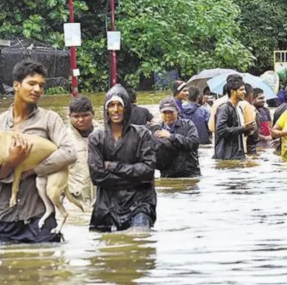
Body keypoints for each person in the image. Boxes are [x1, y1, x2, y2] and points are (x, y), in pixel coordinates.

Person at [0, 60, 78, 244]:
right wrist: (13, 161)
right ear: (16, 85)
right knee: (8, 268)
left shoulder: (49, 120)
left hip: (40, 216)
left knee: (46, 267)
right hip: (7, 217)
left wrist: (34, 170)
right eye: (32, 84)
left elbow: (70, 152)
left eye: (41, 86)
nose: (37, 89)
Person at [87, 84, 157, 233]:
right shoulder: (96, 138)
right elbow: (97, 176)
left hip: (140, 203)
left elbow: (148, 171)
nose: (116, 110)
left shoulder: (142, 135)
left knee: (139, 240)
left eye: (120, 105)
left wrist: (112, 166)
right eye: (111, 105)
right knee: (103, 250)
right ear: (106, 109)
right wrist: (135, 178)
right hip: (107, 205)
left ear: (127, 107)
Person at [151, 97, 201, 177]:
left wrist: (171, 136)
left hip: (189, 174)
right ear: (161, 113)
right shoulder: (157, 130)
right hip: (167, 175)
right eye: (165, 112)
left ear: (177, 111)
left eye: (171, 112)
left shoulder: (188, 124)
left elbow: (194, 143)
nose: (168, 115)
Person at [67, 95, 102, 207]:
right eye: (76, 116)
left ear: (93, 114)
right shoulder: (62, 139)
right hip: (74, 201)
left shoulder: (105, 135)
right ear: (69, 116)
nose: (81, 120)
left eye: (85, 115)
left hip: (102, 197)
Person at [213, 76, 256, 160]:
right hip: (226, 156)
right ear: (232, 91)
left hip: (238, 154)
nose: (244, 92)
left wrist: (248, 129)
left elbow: (237, 131)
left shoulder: (239, 108)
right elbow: (221, 130)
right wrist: (243, 128)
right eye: (241, 90)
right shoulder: (224, 108)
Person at [242, 83, 259, 154]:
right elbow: (253, 130)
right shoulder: (250, 108)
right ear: (251, 96)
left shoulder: (233, 106)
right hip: (249, 146)